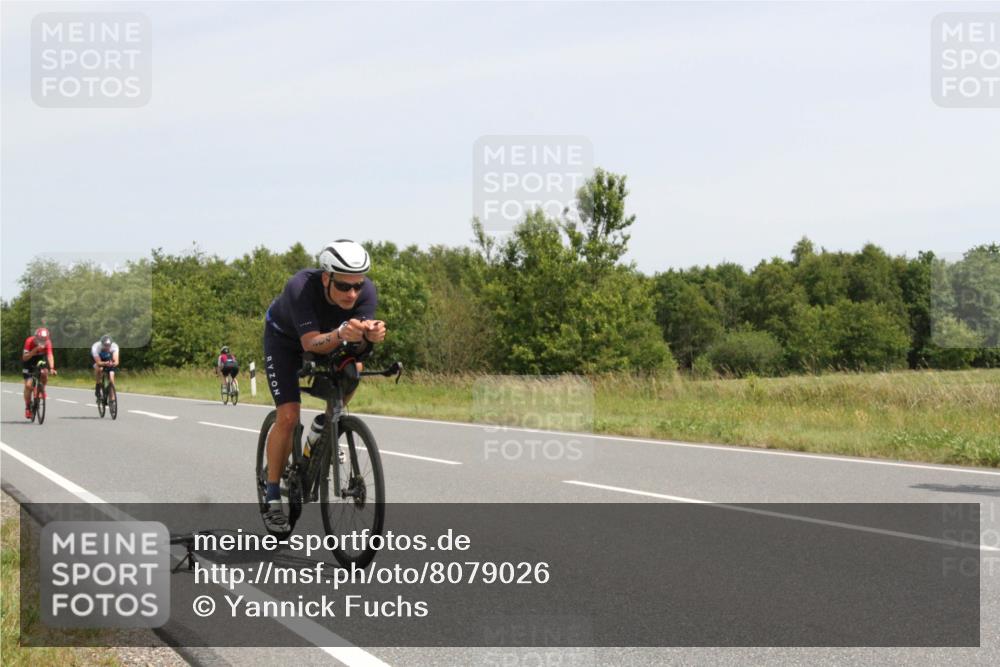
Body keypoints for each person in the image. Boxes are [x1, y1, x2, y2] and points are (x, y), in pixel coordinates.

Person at [261, 240, 387, 533]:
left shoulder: (366, 292)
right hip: (285, 342)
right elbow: (310, 343)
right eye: (343, 286)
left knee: (354, 369)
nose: (352, 293)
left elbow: (357, 349)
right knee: (288, 416)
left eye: (357, 286)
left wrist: (369, 337)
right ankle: (271, 495)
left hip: (329, 339)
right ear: (326, 278)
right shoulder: (300, 287)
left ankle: (326, 426)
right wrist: (342, 333)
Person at [22, 327, 57, 419]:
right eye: (41, 339)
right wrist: (35, 349)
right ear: (36, 337)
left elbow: (50, 355)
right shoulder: (29, 341)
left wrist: (52, 368)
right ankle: (28, 407)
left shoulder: (48, 342)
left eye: (44, 340)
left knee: (45, 372)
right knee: (28, 386)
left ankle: (42, 389)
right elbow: (24, 358)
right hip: (29, 360)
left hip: (40, 359)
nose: (43, 341)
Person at [91, 335, 120, 399]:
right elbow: (98, 362)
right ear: (102, 344)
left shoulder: (114, 346)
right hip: (98, 357)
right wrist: (105, 363)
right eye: (105, 345)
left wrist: (112, 363)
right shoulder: (96, 347)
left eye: (109, 345)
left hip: (108, 357)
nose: (107, 347)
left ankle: (112, 399)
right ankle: (98, 385)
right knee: (99, 369)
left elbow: (116, 361)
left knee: (111, 377)